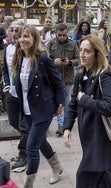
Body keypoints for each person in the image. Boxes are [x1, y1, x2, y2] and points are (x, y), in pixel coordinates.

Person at [63, 34, 111, 188]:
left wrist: (85, 100)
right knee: (105, 176)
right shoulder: (81, 75)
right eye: (81, 50)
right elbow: (72, 104)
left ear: (97, 54)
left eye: (87, 51)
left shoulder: (105, 76)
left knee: (84, 176)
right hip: (89, 137)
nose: (82, 55)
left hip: (101, 139)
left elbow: (110, 106)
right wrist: (67, 127)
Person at [12, 25, 65, 187]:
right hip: (27, 110)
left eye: (26, 36)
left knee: (31, 147)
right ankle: (57, 168)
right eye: (21, 36)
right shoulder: (20, 57)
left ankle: (28, 184)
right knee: (40, 141)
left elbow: (58, 83)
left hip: (43, 108)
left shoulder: (43, 58)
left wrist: (61, 103)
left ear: (34, 39)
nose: (22, 39)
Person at [2, 21, 28, 173]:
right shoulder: (8, 48)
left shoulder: (27, 49)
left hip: (25, 92)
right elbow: (5, 68)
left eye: (16, 30)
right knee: (13, 120)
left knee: (25, 124)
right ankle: (32, 139)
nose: (13, 32)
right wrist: (6, 85)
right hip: (11, 91)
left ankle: (23, 154)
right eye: (11, 29)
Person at [46, 23, 79, 136]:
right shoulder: (50, 44)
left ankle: (64, 124)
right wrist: (53, 62)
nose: (61, 37)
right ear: (56, 33)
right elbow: (44, 59)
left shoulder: (73, 44)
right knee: (57, 102)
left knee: (66, 102)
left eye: (64, 35)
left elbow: (78, 59)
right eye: (59, 35)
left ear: (67, 34)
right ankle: (60, 124)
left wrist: (70, 62)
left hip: (67, 78)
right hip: (54, 78)